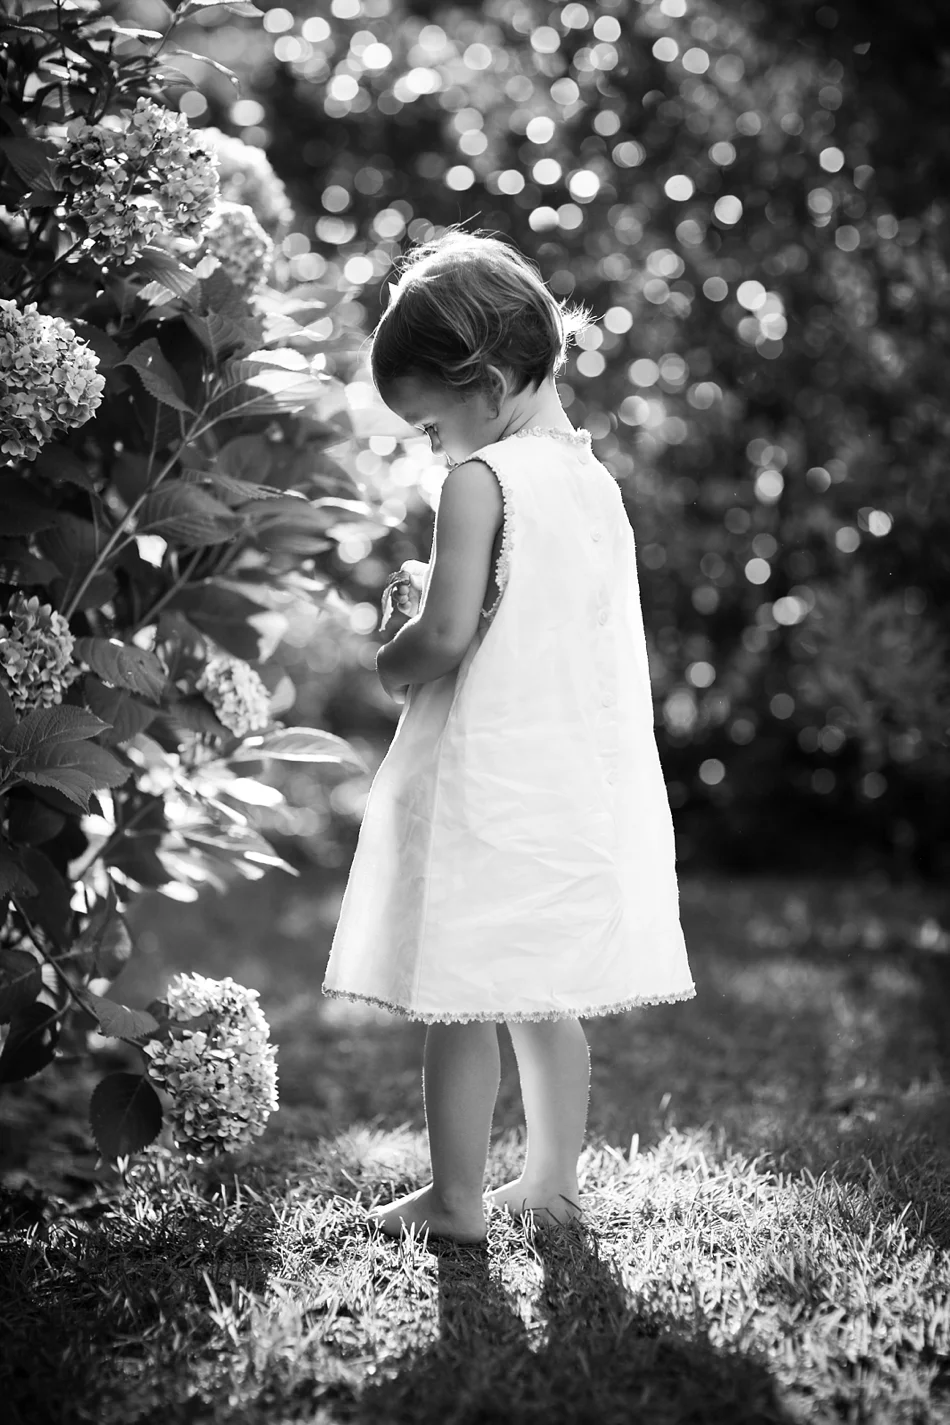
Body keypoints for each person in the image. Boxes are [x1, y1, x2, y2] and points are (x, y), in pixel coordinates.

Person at [322, 229, 696, 1243]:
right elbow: (550, 622)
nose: (431, 448)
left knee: (461, 997)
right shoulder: (591, 483)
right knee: (542, 993)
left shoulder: (480, 480)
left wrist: (392, 650)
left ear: (484, 385)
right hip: (567, 777)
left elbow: (446, 637)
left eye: (430, 425)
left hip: (485, 781)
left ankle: (455, 1200)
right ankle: (551, 1183)